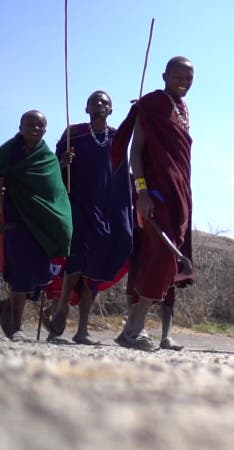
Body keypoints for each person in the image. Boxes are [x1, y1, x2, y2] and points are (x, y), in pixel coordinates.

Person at [113, 56, 195, 351]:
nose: (183, 82)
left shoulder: (184, 110)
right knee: (161, 257)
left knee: (162, 261)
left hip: (179, 196)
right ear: (164, 75)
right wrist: (142, 192)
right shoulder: (152, 105)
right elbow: (136, 152)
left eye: (189, 78)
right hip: (155, 197)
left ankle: (132, 330)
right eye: (177, 76)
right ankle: (133, 329)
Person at [46, 91, 133, 345]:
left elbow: (132, 145)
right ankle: (61, 307)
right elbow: (55, 167)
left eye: (105, 101)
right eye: (95, 101)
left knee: (94, 270)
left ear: (111, 110)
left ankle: (82, 330)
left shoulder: (117, 137)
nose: (100, 104)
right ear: (86, 108)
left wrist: (138, 111)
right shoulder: (75, 132)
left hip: (106, 207)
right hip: (79, 204)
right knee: (76, 258)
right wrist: (63, 162)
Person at [0, 111, 72, 342]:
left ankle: (7, 307)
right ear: (20, 126)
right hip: (16, 219)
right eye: (30, 123)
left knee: (42, 272)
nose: (35, 127)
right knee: (20, 273)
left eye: (40, 124)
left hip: (42, 223)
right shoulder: (8, 151)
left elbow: (54, 191)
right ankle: (17, 326)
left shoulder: (48, 158)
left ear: (45, 129)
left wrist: (62, 165)